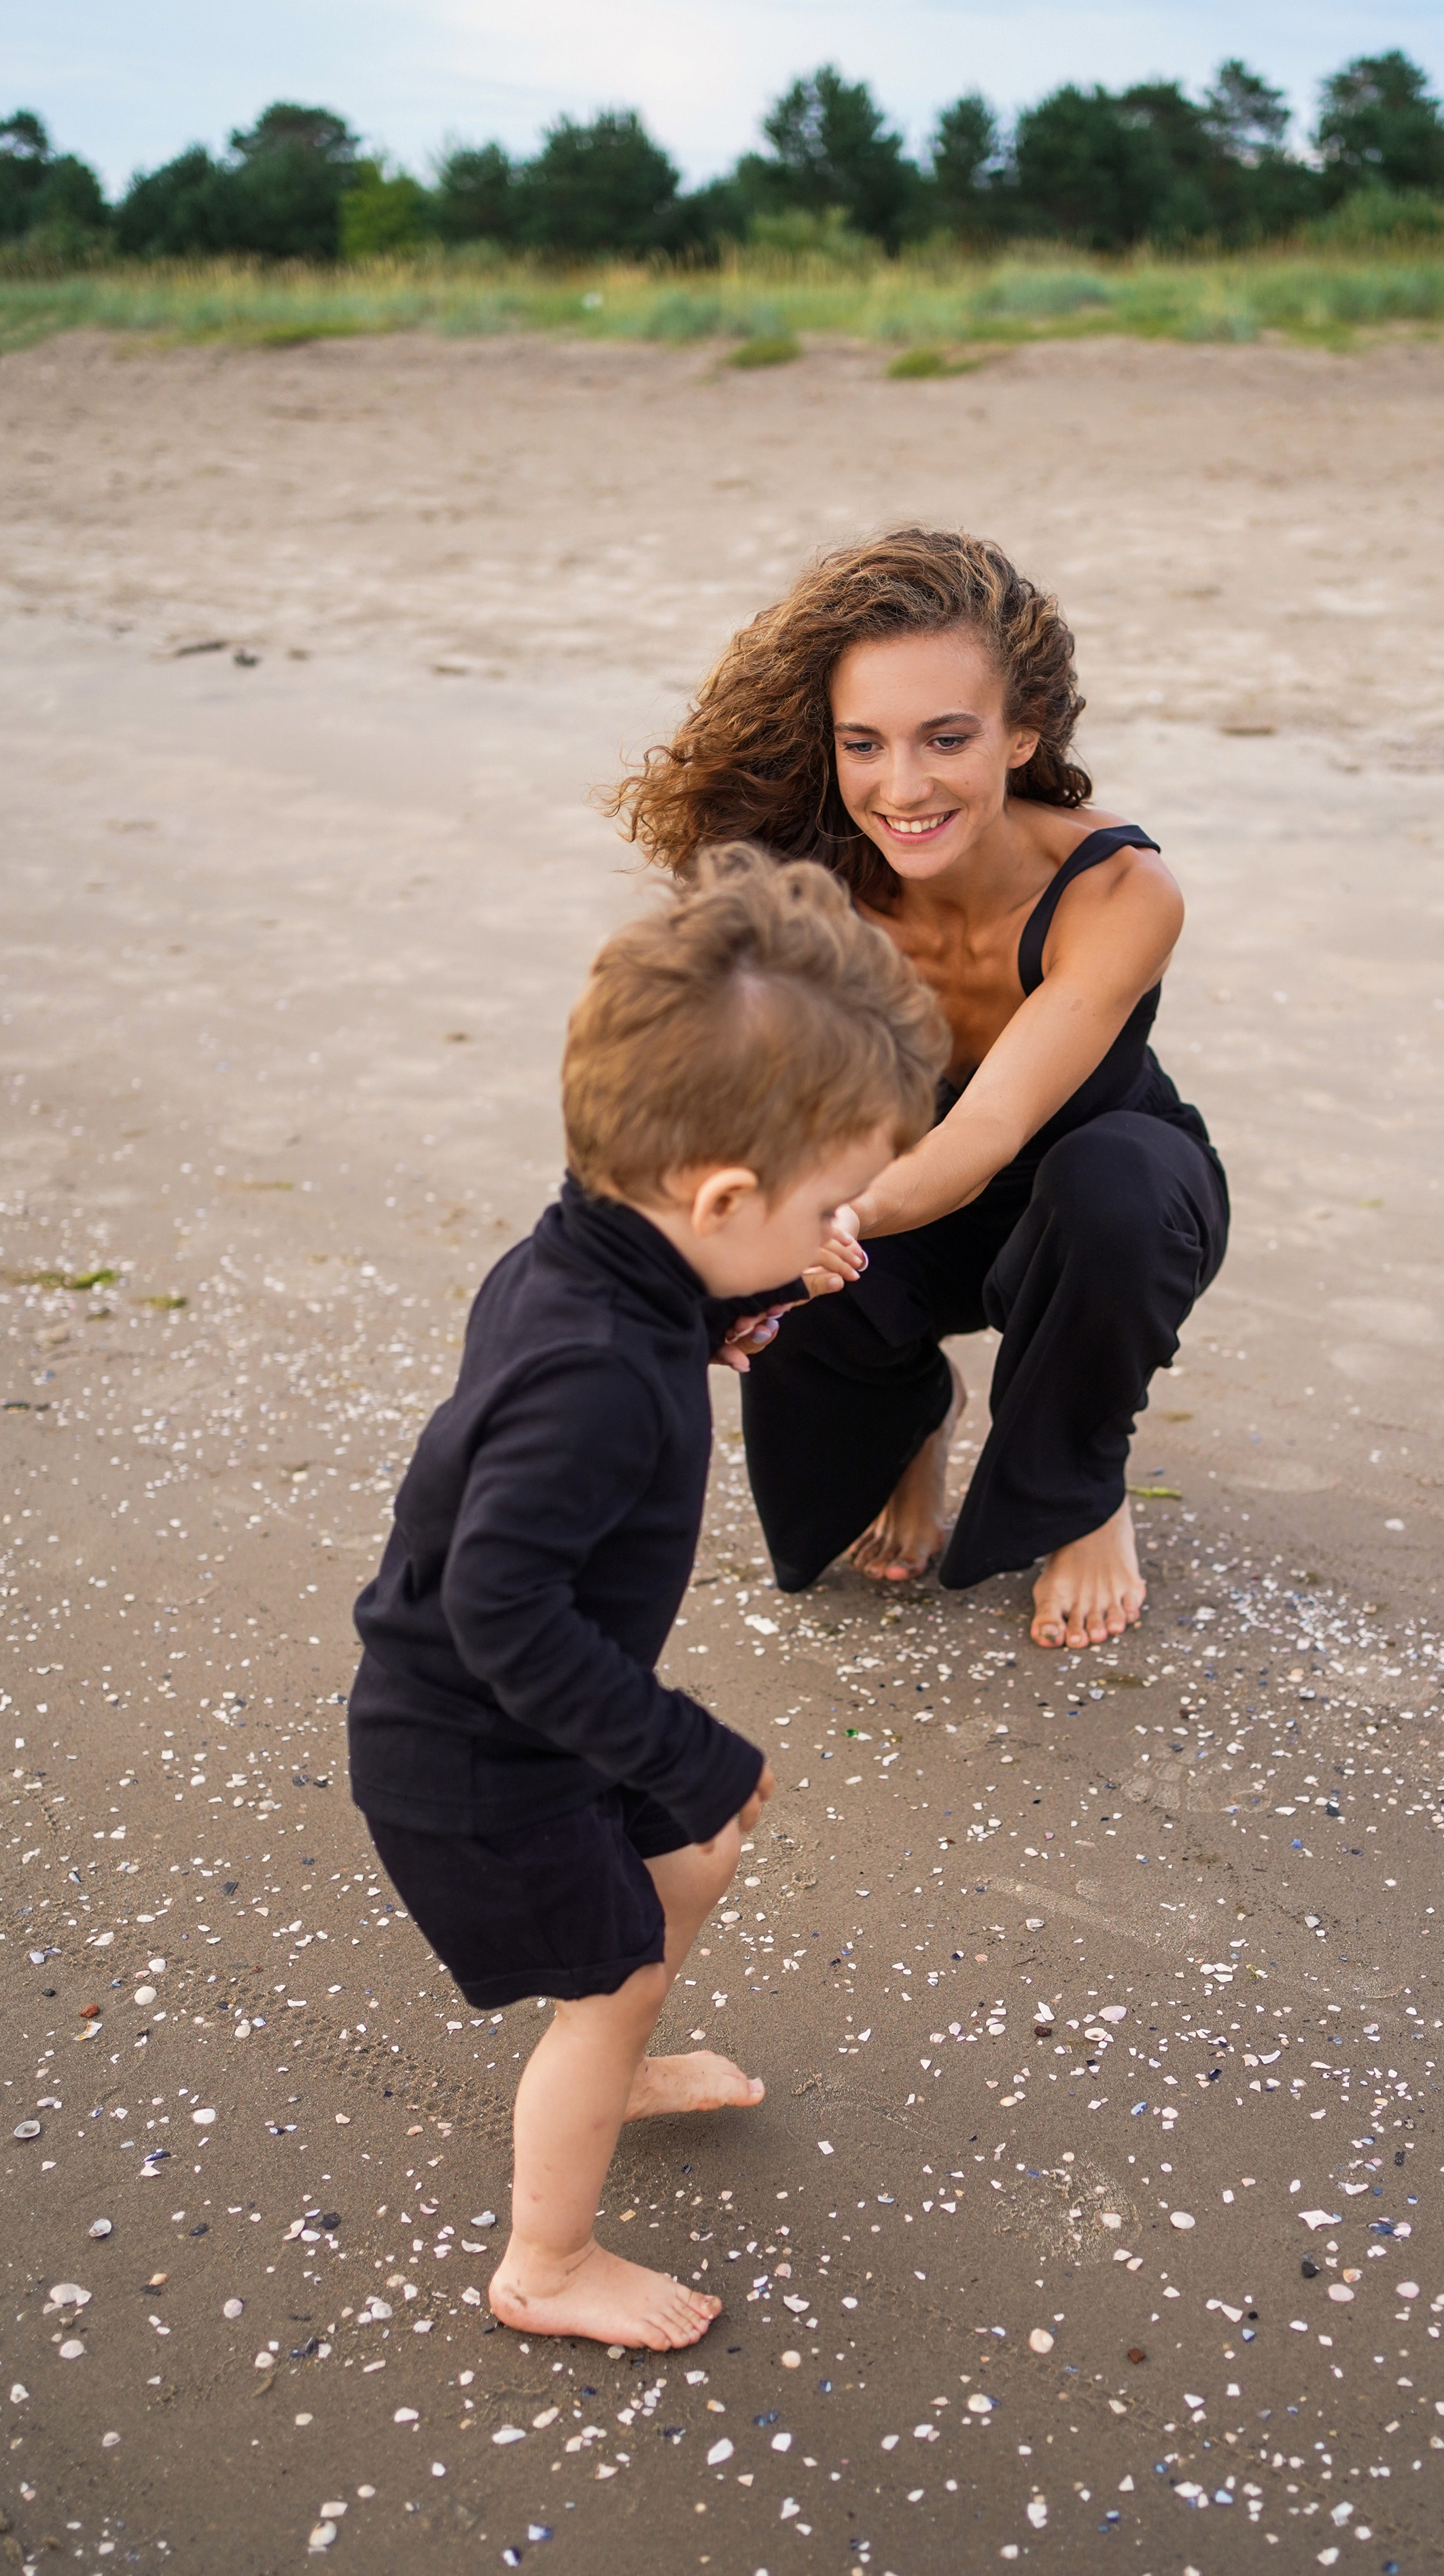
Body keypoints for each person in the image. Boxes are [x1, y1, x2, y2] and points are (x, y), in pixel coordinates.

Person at [347, 847, 945, 2350]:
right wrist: (676, 1745)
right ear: (723, 1188)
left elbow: (630, 1327)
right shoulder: (597, 1375)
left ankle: (609, 2065)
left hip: (518, 1719)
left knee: (698, 1854)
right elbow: (501, 1608)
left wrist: (728, 1309)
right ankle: (544, 2265)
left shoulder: (590, 1265)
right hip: (478, 1753)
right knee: (615, 1959)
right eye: (828, 1202)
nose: (841, 1233)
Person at [614, 528, 1229, 1651]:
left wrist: (834, 1219)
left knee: (1114, 1188)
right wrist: (715, 1266)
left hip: (1095, 1209)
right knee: (766, 1224)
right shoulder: (804, 889)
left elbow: (993, 1125)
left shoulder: (1123, 890)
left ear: (1021, 735)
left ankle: (1082, 1484)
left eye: (947, 739)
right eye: (865, 744)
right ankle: (915, 1414)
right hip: (899, 1214)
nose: (902, 788)